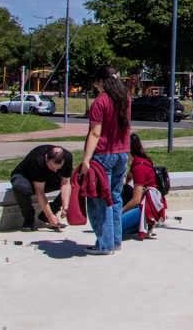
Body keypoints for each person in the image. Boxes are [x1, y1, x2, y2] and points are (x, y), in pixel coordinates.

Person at [80, 65, 131, 255]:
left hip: (102, 156)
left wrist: (86, 160)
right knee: (116, 199)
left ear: (101, 82)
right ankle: (116, 241)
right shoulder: (125, 100)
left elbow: (95, 133)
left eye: (97, 83)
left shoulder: (99, 102)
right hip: (122, 154)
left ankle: (105, 244)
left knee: (101, 200)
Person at [10, 145, 73, 231]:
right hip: (27, 178)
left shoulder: (68, 158)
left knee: (76, 182)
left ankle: (50, 212)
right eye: (52, 167)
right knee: (21, 188)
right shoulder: (37, 160)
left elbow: (65, 184)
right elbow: (39, 190)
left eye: (58, 168)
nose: (55, 171)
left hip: (47, 179)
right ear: (46, 157)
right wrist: (49, 215)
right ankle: (29, 217)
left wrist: (66, 207)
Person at [120, 134, 166, 239]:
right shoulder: (139, 161)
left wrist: (120, 211)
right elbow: (128, 180)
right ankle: (142, 222)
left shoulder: (139, 168)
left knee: (116, 226)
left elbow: (136, 200)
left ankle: (146, 223)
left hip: (146, 206)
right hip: (145, 200)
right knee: (122, 188)